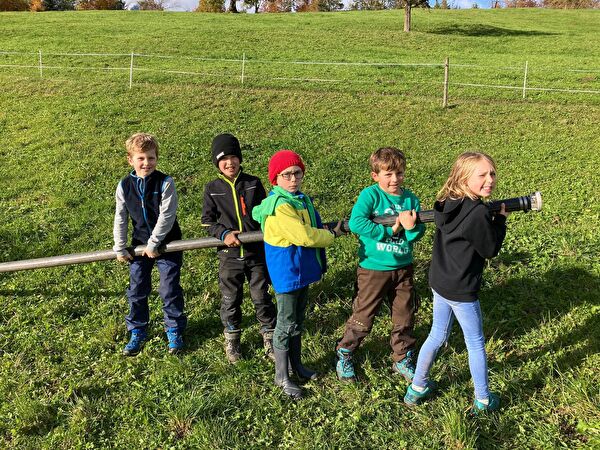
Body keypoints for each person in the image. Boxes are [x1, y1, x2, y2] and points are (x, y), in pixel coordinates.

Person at [404, 152, 509, 414]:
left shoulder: (445, 203)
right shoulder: (477, 214)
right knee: (475, 342)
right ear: (464, 178)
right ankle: (483, 399)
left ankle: (417, 387)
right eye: (482, 175)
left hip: (440, 282)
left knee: (437, 334)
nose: (490, 180)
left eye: (492, 174)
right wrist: (501, 221)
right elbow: (490, 249)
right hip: (462, 289)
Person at [252, 150, 343, 399]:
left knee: (297, 320)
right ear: (275, 178)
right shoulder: (280, 207)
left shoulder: (299, 199)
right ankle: (281, 376)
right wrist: (332, 236)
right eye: (286, 174)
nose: (293, 178)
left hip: (300, 270)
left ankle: (297, 365)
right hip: (288, 273)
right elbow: (304, 235)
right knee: (285, 323)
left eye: (297, 173)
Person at [335, 147, 425, 383]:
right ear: (375, 175)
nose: (395, 179)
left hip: (403, 267)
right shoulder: (370, 196)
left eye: (400, 173)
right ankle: (345, 351)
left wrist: (411, 228)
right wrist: (390, 230)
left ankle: (402, 356)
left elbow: (419, 230)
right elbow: (357, 223)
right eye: (388, 174)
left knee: (404, 315)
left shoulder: (410, 199)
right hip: (374, 268)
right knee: (364, 314)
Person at [201, 133, 277, 364]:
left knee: (261, 296)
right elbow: (208, 221)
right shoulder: (212, 188)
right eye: (224, 159)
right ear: (217, 162)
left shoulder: (253, 183)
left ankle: (269, 336)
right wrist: (223, 234)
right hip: (229, 256)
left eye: (234, 157)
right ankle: (232, 338)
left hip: (255, 253)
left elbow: (266, 213)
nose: (230, 163)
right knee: (230, 299)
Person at [113, 132, 187, 356]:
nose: (147, 163)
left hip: (167, 243)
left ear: (157, 158)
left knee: (169, 288)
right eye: (141, 158)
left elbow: (168, 215)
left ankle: (174, 329)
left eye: (151, 158)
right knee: (136, 289)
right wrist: (120, 245)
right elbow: (121, 216)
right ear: (130, 159)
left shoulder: (165, 182)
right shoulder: (125, 185)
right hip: (138, 244)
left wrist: (155, 243)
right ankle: (137, 330)